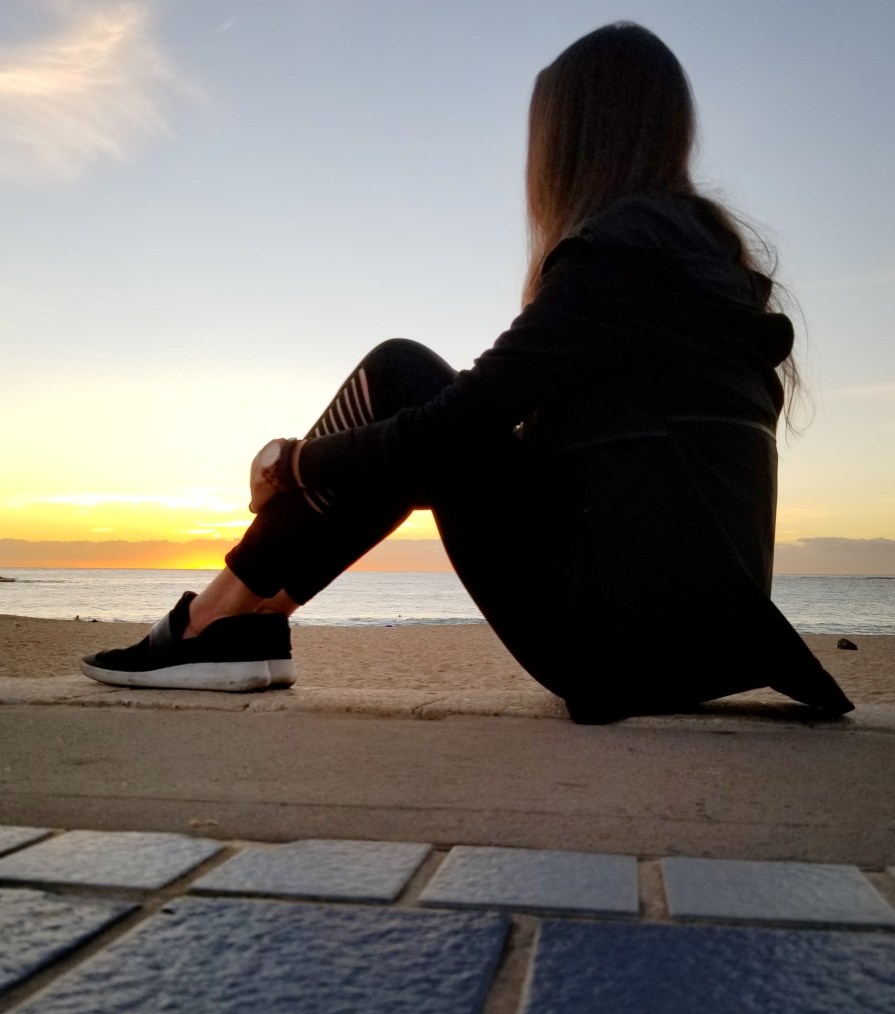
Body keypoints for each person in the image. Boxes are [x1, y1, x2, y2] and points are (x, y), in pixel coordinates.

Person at [81, 22, 853, 723]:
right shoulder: (710, 268)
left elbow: (456, 425)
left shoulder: (618, 257)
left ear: (569, 143)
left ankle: (211, 624)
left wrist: (293, 460)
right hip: (702, 639)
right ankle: (240, 622)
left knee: (403, 376)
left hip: (613, 647)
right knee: (416, 422)